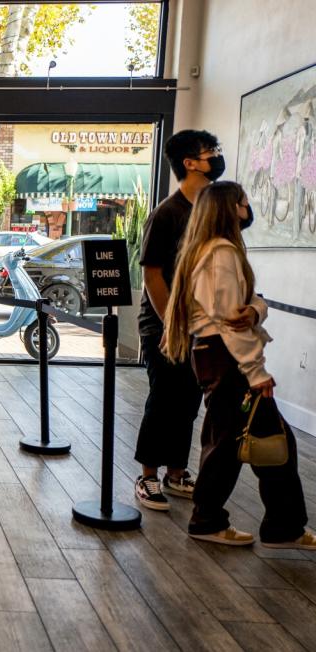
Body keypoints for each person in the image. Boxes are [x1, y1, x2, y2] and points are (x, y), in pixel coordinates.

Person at [163, 181, 314, 548]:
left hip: (219, 358)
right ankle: (219, 522)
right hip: (228, 360)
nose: (249, 208)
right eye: (245, 203)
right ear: (231, 210)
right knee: (237, 445)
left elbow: (247, 307)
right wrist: (257, 372)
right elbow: (234, 324)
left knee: (251, 444)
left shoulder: (212, 252)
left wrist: (257, 308)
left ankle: (279, 526)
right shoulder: (221, 254)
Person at [134, 129, 228, 511]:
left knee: (189, 400)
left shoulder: (209, 212)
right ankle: (148, 476)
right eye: (211, 153)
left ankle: (176, 472)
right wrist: (171, 324)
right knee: (164, 399)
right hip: (163, 325)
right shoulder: (167, 213)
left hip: (200, 323)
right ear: (190, 163)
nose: (217, 158)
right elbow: (152, 274)